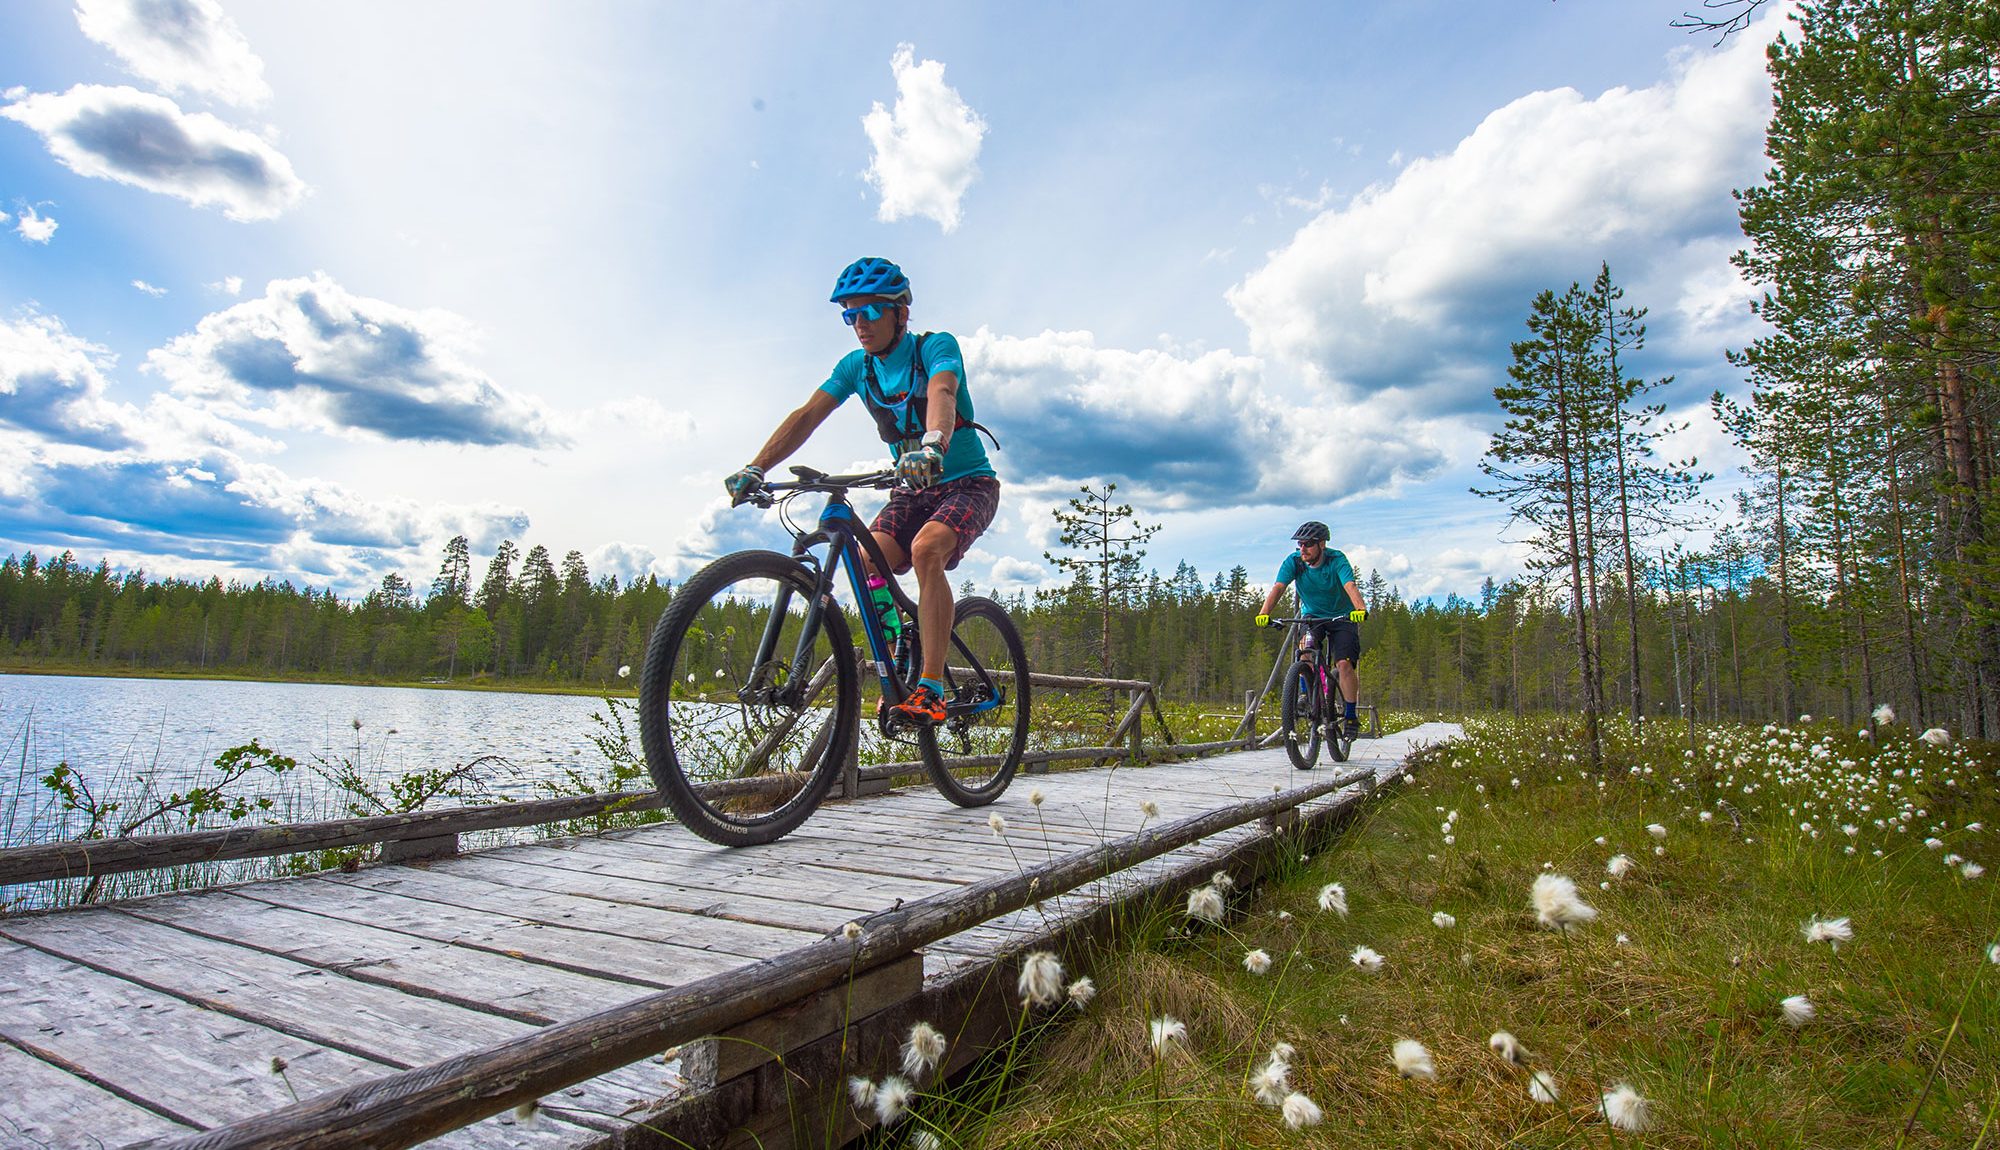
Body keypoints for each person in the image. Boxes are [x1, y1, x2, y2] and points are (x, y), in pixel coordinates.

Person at [723, 258, 1000, 725]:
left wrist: (933, 443)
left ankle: (931, 686)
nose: (859, 325)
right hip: (911, 488)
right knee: (867, 561)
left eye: (870, 311)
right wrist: (756, 466)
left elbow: (943, 393)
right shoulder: (857, 368)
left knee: (926, 549)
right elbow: (808, 414)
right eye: (850, 314)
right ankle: (900, 654)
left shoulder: (934, 348)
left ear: (900, 314)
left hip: (968, 483)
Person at [1255, 521, 1368, 737]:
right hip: (1312, 616)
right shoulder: (1294, 562)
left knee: (1343, 664)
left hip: (1341, 616)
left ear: (1322, 544)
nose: (1303, 549)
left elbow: (1350, 585)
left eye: (1308, 544)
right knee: (1305, 650)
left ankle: (1351, 715)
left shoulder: (1337, 560)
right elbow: (1279, 587)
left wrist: (1360, 609)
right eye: (1300, 544)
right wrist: (1264, 614)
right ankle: (1306, 695)